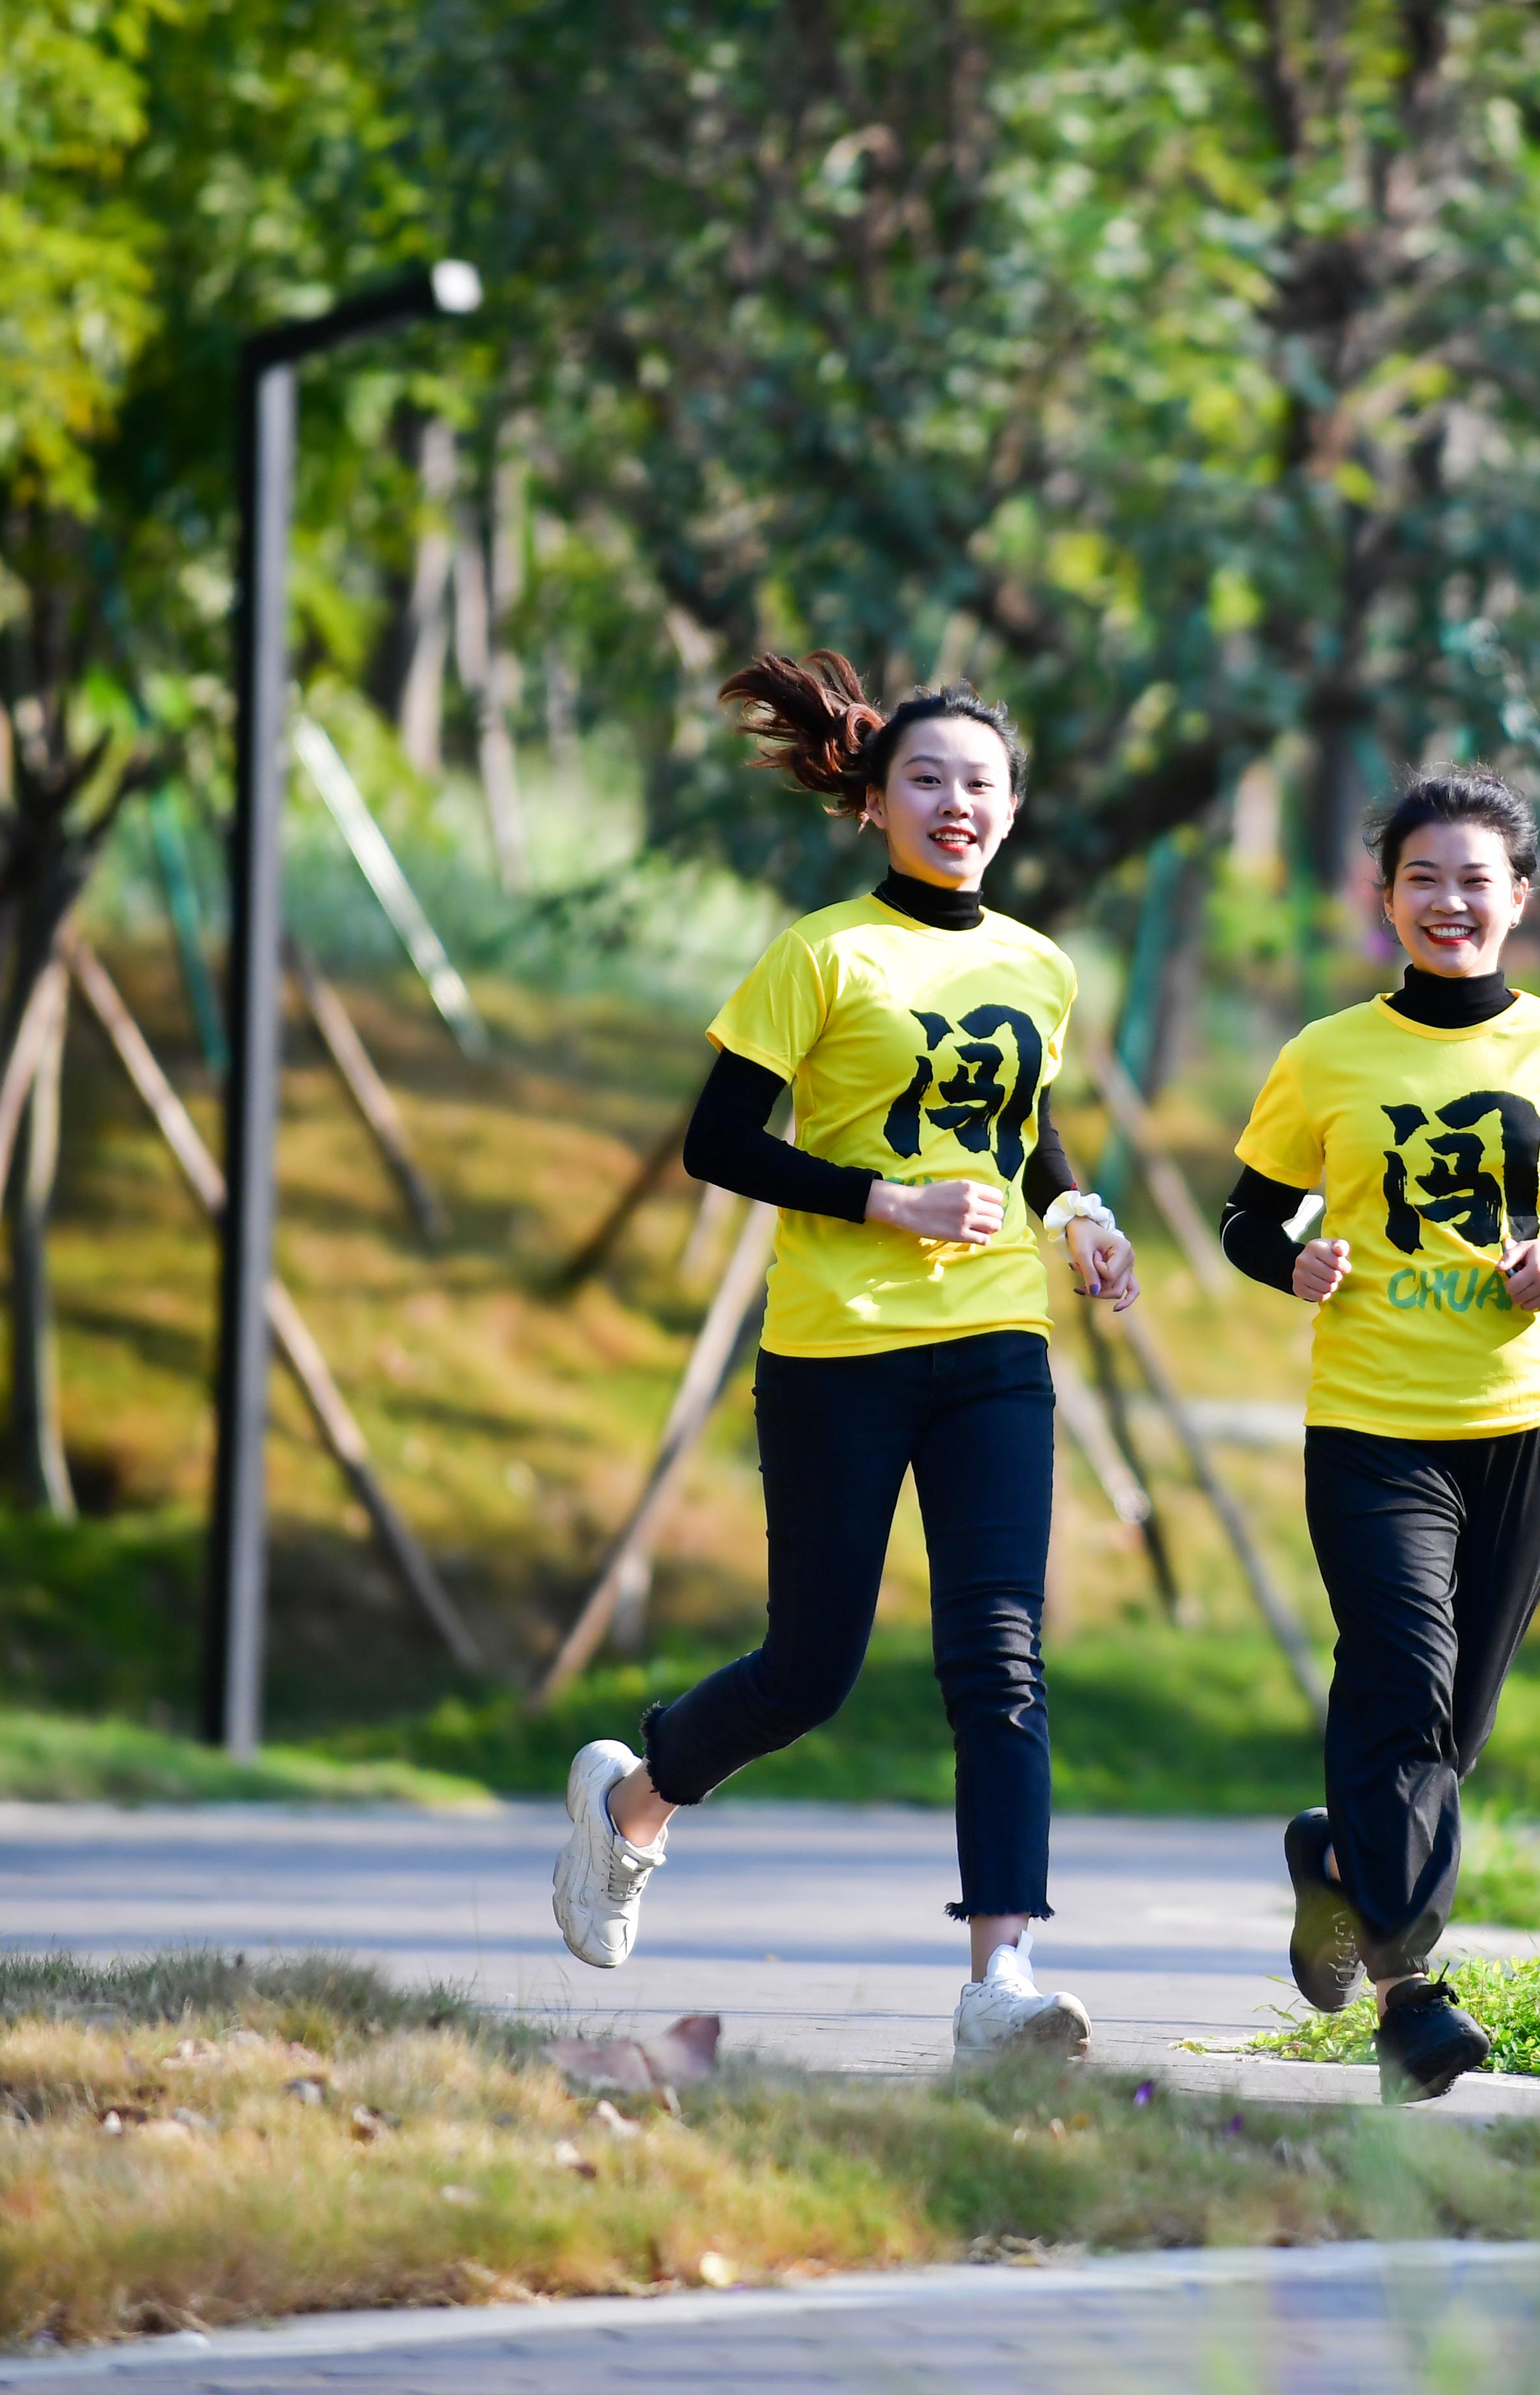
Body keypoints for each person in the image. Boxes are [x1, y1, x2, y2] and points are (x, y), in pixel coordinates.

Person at [549, 650, 1139, 2063]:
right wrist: (884, 1198)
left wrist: (1081, 1213)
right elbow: (718, 1139)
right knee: (811, 1668)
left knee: (1001, 1658)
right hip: (839, 1349)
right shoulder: (822, 954)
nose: (957, 804)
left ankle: (1002, 1980)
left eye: (982, 784)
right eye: (927, 780)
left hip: (997, 1337)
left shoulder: (1037, 963)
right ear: (874, 799)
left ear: (1012, 808)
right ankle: (637, 1801)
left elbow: (1025, 1120)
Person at [1217, 770, 1540, 2100]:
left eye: (1477, 879)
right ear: (1387, 896)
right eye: (1422, 876)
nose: (1449, 900)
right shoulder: (1325, 1054)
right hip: (1372, 1423)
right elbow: (1251, 1215)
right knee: (1403, 1684)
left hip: (1531, 1423)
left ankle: (1337, 1863)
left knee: (1446, 1732)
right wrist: (1286, 1267)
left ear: (1520, 899)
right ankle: (1411, 1998)